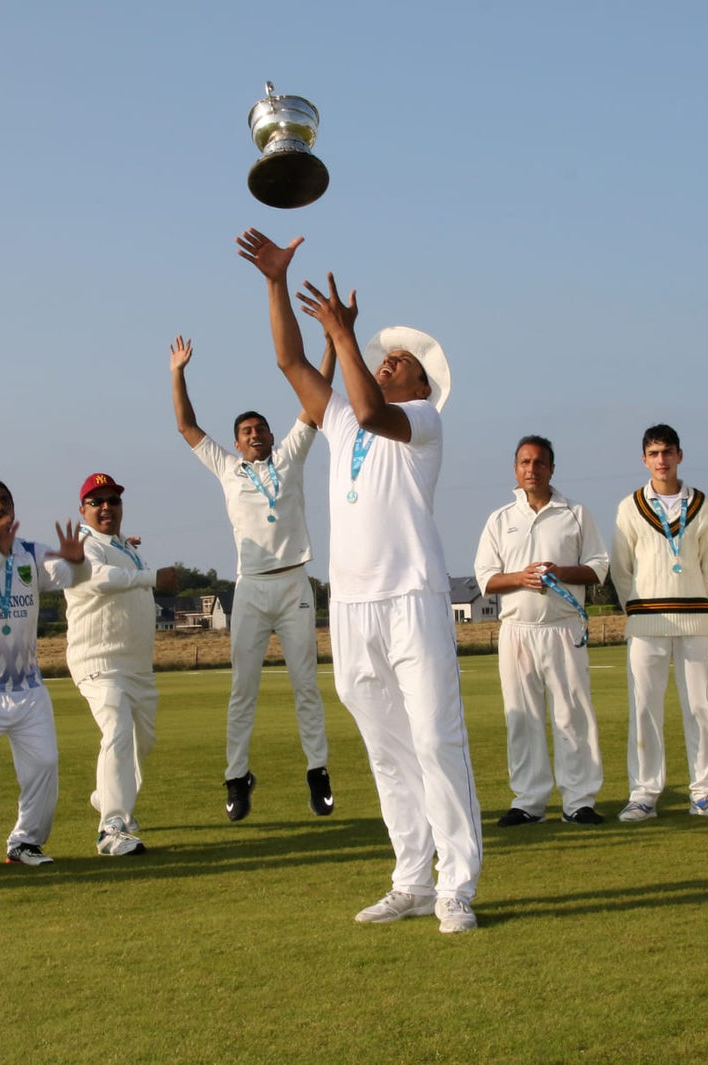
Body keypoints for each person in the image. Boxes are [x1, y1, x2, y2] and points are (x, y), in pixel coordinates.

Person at [239, 227, 481, 934]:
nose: (381, 364)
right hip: (350, 604)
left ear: (422, 383)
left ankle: (456, 886)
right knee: (387, 747)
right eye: (379, 357)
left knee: (436, 739)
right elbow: (288, 358)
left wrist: (343, 334)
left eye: (395, 362)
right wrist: (277, 283)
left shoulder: (422, 420)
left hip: (413, 597)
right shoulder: (340, 416)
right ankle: (410, 877)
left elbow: (373, 408)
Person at [170, 334, 336, 822]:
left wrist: (328, 344)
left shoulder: (289, 456)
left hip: (293, 584)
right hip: (250, 588)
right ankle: (237, 778)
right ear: (237, 441)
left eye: (262, 427)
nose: (256, 434)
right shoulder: (227, 468)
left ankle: (318, 771)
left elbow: (315, 396)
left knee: (306, 683)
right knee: (244, 688)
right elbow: (185, 425)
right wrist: (178, 371)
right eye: (247, 430)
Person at [0, 480, 86, 871]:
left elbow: (72, 577)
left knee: (43, 764)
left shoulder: (31, 553)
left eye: (4, 500)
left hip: (26, 687)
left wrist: (77, 561)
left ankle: (26, 842)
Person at [474, 434, 608, 827]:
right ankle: (529, 802)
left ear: (551, 468)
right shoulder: (500, 519)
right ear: (515, 469)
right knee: (522, 718)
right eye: (524, 463)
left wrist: (559, 571)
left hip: (563, 627)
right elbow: (485, 579)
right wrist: (522, 578)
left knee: (572, 715)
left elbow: (598, 567)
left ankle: (579, 801)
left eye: (539, 463)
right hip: (516, 629)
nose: (531, 470)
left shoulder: (575, 513)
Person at [608, 423, 708, 822]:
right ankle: (644, 794)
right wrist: (640, 610)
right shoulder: (629, 507)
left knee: (702, 707)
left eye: (668, 452)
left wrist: (700, 608)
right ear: (644, 459)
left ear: (680, 455)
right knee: (645, 708)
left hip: (695, 621)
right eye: (654, 453)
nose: (661, 460)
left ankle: (706, 792)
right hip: (646, 624)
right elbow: (621, 569)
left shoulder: (702, 505)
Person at [65, 473, 178, 857]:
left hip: (137, 668)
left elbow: (120, 568)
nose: (106, 508)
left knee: (140, 742)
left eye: (112, 500)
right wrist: (151, 577)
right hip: (99, 660)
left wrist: (131, 555)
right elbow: (97, 578)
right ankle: (111, 828)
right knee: (116, 729)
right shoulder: (82, 545)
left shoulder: (126, 548)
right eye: (96, 502)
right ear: (83, 510)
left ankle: (106, 794)